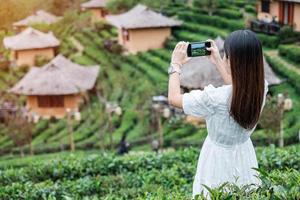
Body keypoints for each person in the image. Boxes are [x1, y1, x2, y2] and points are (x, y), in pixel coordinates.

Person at [167, 30, 268, 199]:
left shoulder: (215, 98)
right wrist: (217, 61)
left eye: (225, 55)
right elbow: (238, 89)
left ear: (231, 60)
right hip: (245, 155)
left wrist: (175, 65)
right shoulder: (261, 88)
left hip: (217, 160)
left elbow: (174, 98)